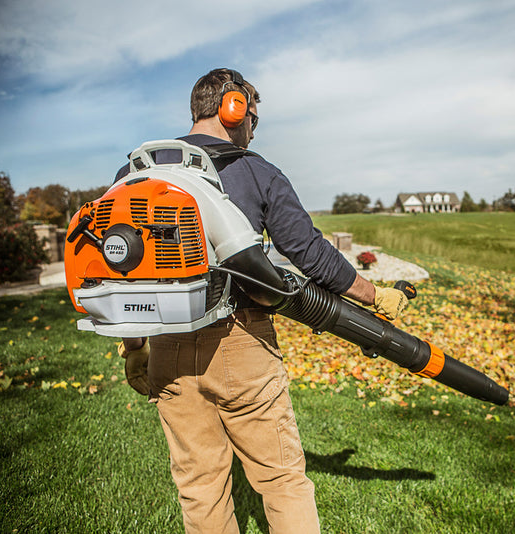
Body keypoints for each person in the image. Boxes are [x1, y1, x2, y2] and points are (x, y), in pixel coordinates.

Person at [114, 68, 409, 534]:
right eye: (253, 116)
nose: (253, 127)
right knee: (281, 479)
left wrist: (135, 349)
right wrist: (375, 296)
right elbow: (309, 252)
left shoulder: (136, 175)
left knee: (200, 485)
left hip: (167, 349)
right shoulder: (255, 170)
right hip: (239, 343)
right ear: (233, 108)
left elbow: (121, 268)